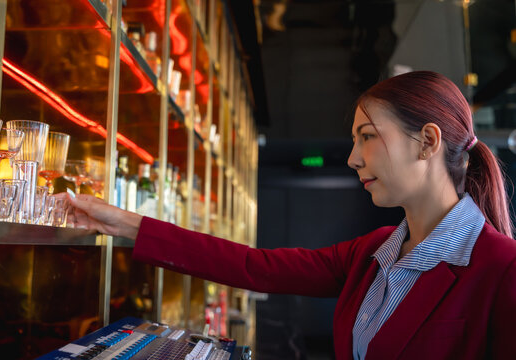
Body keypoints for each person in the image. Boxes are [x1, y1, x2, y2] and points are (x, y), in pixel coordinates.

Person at [65, 71, 516, 359]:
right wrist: (124, 224)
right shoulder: (374, 252)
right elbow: (252, 267)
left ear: (428, 141)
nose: (353, 158)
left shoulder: (503, 268)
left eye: (368, 137)